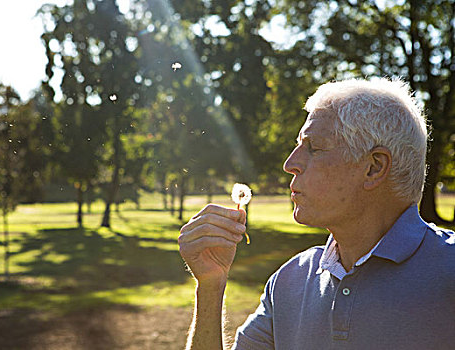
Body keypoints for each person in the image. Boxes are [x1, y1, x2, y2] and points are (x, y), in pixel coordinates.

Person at [178, 77, 455, 350]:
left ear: (373, 167)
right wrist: (210, 287)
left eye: (314, 147)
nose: (290, 164)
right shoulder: (288, 282)